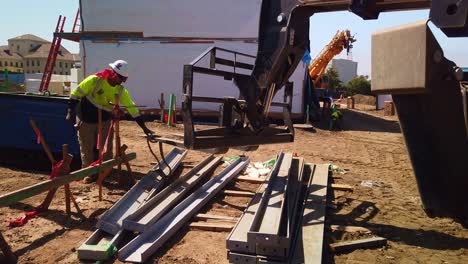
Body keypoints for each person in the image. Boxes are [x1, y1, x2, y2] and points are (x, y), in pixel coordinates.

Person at [66, 59, 154, 183]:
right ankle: (88, 173)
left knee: (106, 148)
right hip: (85, 119)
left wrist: (144, 128)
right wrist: (70, 112)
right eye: (121, 78)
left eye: (124, 79)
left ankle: (106, 172)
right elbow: (75, 95)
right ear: (113, 73)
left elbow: (133, 109)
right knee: (87, 148)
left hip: (105, 120)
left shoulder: (120, 90)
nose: (122, 82)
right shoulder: (94, 81)